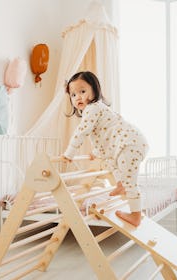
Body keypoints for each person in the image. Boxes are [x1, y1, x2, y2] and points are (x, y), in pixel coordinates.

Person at [61, 71, 148, 226]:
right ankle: (121, 185)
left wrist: (70, 153)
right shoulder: (96, 111)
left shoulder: (93, 108)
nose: (78, 97)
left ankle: (136, 215)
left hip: (129, 143)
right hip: (124, 144)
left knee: (130, 181)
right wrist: (96, 152)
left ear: (94, 90)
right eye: (73, 95)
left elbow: (82, 131)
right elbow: (105, 139)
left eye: (82, 91)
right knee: (110, 161)